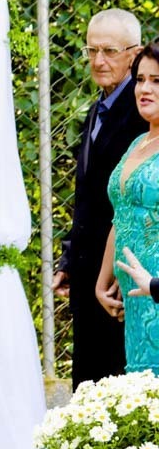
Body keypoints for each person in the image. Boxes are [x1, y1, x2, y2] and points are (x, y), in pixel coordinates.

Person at [54, 9, 146, 389]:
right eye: (91, 51)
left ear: (134, 53)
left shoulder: (142, 111)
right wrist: (70, 259)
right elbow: (90, 196)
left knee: (119, 386)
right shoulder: (97, 109)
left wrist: (116, 270)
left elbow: (133, 202)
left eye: (109, 51)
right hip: (89, 272)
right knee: (88, 386)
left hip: (123, 274)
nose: (98, 61)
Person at [96, 42, 159, 372]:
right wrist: (102, 281)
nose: (145, 89)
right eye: (140, 79)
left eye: (157, 81)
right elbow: (121, 216)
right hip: (133, 300)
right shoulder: (138, 142)